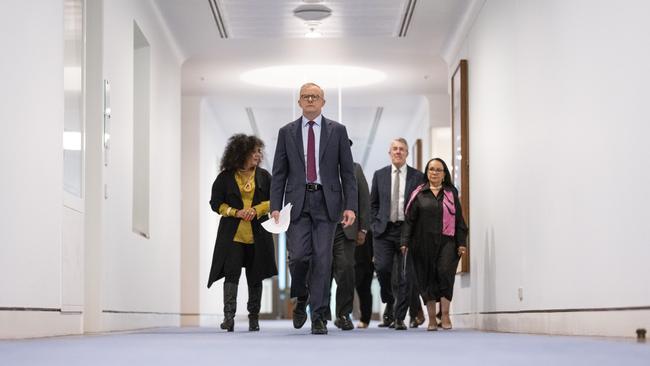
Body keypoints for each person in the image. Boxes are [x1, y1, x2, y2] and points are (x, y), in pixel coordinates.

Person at [270, 82, 358, 335]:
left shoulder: (337, 131)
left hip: (327, 202)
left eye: (315, 96)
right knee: (298, 257)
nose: (310, 100)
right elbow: (279, 173)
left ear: (323, 102)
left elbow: (347, 173)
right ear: (299, 102)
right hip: (297, 202)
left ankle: (318, 316)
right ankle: (301, 295)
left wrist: (350, 206)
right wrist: (275, 206)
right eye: (305, 97)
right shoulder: (286, 132)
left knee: (323, 259)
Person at [207, 134, 278, 332]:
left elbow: (275, 200)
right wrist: (235, 212)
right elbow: (215, 204)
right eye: (254, 151)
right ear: (241, 153)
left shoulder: (264, 176)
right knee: (231, 275)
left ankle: (253, 318)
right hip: (233, 235)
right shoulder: (225, 177)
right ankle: (228, 317)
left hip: (258, 234)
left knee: (255, 276)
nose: (258, 155)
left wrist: (257, 210)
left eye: (259, 151)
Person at [401, 158, 468, 331]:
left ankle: (445, 315)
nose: (434, 172)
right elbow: (409, 221)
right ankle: (431, 318)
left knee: (445, 273)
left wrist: (462, 242)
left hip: (448, 242)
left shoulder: (450, 193)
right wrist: (405, 242)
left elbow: (459, 220)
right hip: (422, 243)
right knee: (427, 278)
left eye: (438, 170)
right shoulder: (418, 193)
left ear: (444, 173)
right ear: (427, 172)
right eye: (431, 169)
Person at [370, 138, 424, 330]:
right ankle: (390, 302)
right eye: (395, 149)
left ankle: (400, 317)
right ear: (389, 152)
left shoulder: (417, 177)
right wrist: (374, 224)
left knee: (404, 275)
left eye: (402, 149)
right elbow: (373, 203)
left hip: (406, 231)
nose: (398, 152)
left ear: (407, 153)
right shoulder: (379, 175)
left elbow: (420, 204)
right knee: (383, 269)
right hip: (384, 231)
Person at [328, 142, 370, 331]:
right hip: (322, 228)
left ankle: (343, 314)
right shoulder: (318, 169)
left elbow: (364, 199)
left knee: (345, 270)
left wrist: (363, 229)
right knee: (321, 271)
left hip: (347, 229)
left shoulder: (355, 169)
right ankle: (320, 315)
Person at [354, 229, 374, 329]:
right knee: (347, 284)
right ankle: (343, 315)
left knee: (364, 287)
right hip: (350, 246)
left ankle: (365, 318)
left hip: (367, 250)